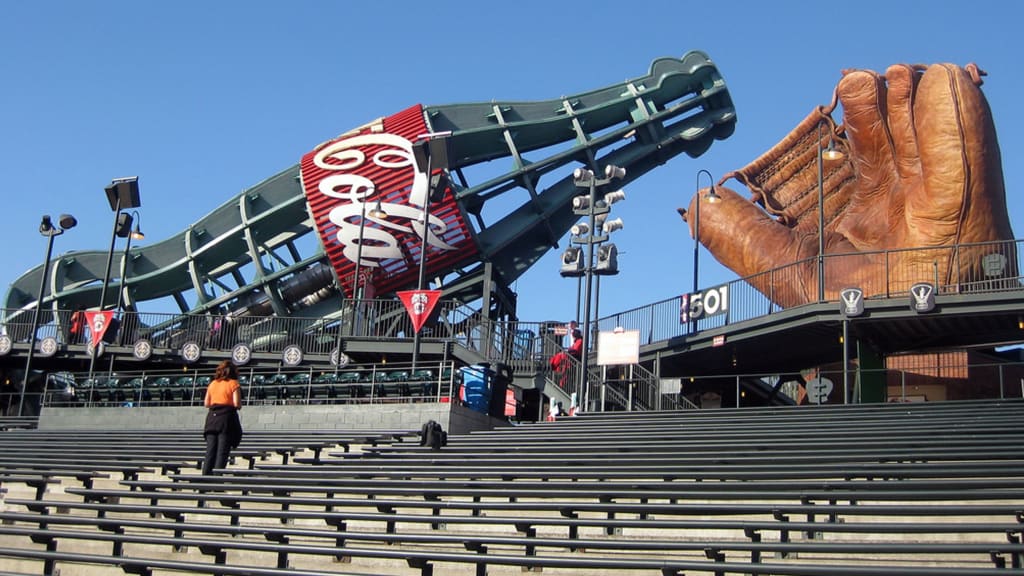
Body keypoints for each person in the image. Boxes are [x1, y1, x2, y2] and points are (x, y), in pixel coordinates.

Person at [202, 360, 243, 475]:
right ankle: (217, 480)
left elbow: (206, 403)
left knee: (210, 451)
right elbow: (237, 404)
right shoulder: (234, 384)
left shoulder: (213, 384)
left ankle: (205, 478)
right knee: (222, 452)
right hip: (226, 419)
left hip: (212, 419)